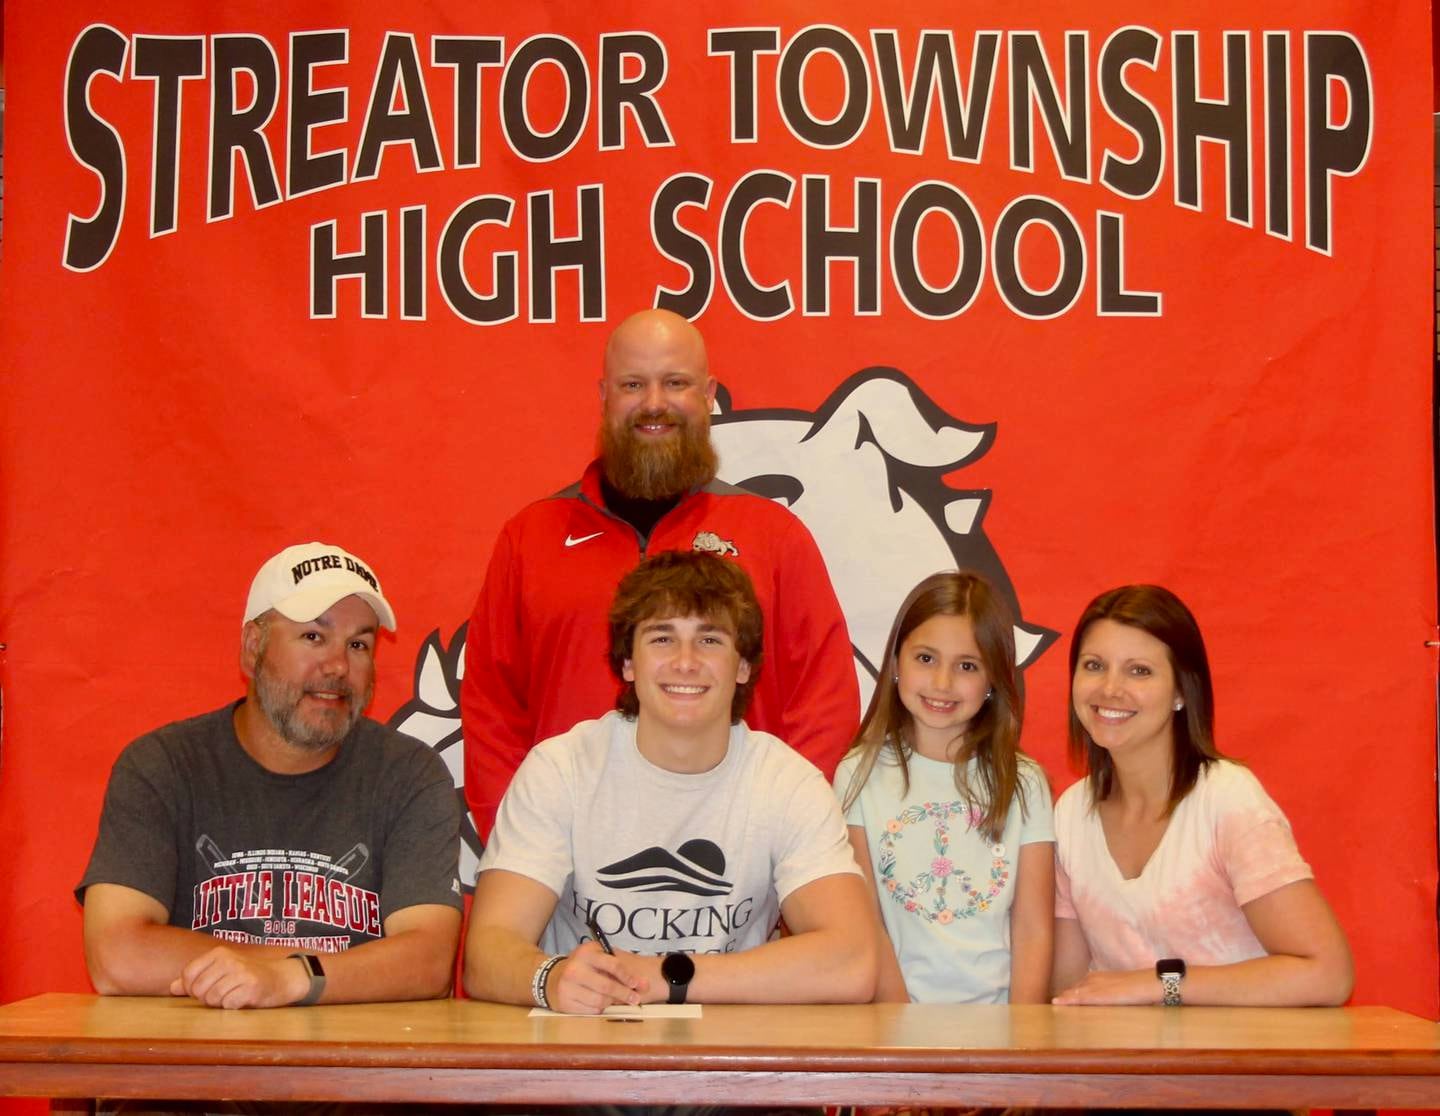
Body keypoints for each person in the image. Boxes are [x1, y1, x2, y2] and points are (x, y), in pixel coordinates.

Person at [461, 308, 858, 842]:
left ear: (708, 393)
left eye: (675, 383)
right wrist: (525, 851)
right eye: (633, 384)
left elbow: (822, 704)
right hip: (567, 868)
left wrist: (781, 841)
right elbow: (492, 713)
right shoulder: (529, 539)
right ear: (604, 395)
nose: (654, 403)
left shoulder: (774, 537)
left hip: (738, 875)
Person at [464, 551, 876, 1012]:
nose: (685, 662)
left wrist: (666, 976)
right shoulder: (562, 769)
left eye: (710, 640)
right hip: (581, 1055)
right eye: (662, 638)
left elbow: (853, 961)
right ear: (627, 664)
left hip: (731, 1064)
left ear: (743, 667)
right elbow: (486, 954)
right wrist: (550, 978)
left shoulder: (787, 783)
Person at [77, 542, 464, 1010]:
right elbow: (117, 956)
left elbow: (428, 962)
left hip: (355, 1071)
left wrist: (289, 979)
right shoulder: (162, 765)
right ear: (252, 648)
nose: (338, 666)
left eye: (358, 644)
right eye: (313, 637)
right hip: (197, 1068)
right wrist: (304, 972)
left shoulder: (410, 774)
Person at [1051, 584, 1353, 1006]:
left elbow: (1328, 974)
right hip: (1128, 1068)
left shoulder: (1227, 799)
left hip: (1237, 1066)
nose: (1110, 689)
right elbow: (1066, 989)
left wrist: (1160, 983)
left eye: (1139, 670)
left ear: (1180, 692)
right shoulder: (1069, 814)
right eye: (1094, 665)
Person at [834, 571, 1054, 1004]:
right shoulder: (858, 774)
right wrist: (899, 1030)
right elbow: (867, 923)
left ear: (994, 679)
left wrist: (1022, 1039)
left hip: (1000, 1032)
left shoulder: (1024, 782)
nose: (942, 683)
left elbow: (1034, 928)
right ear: (896, 662)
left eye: (967, 666)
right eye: (926, 659)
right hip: (894, 1026)